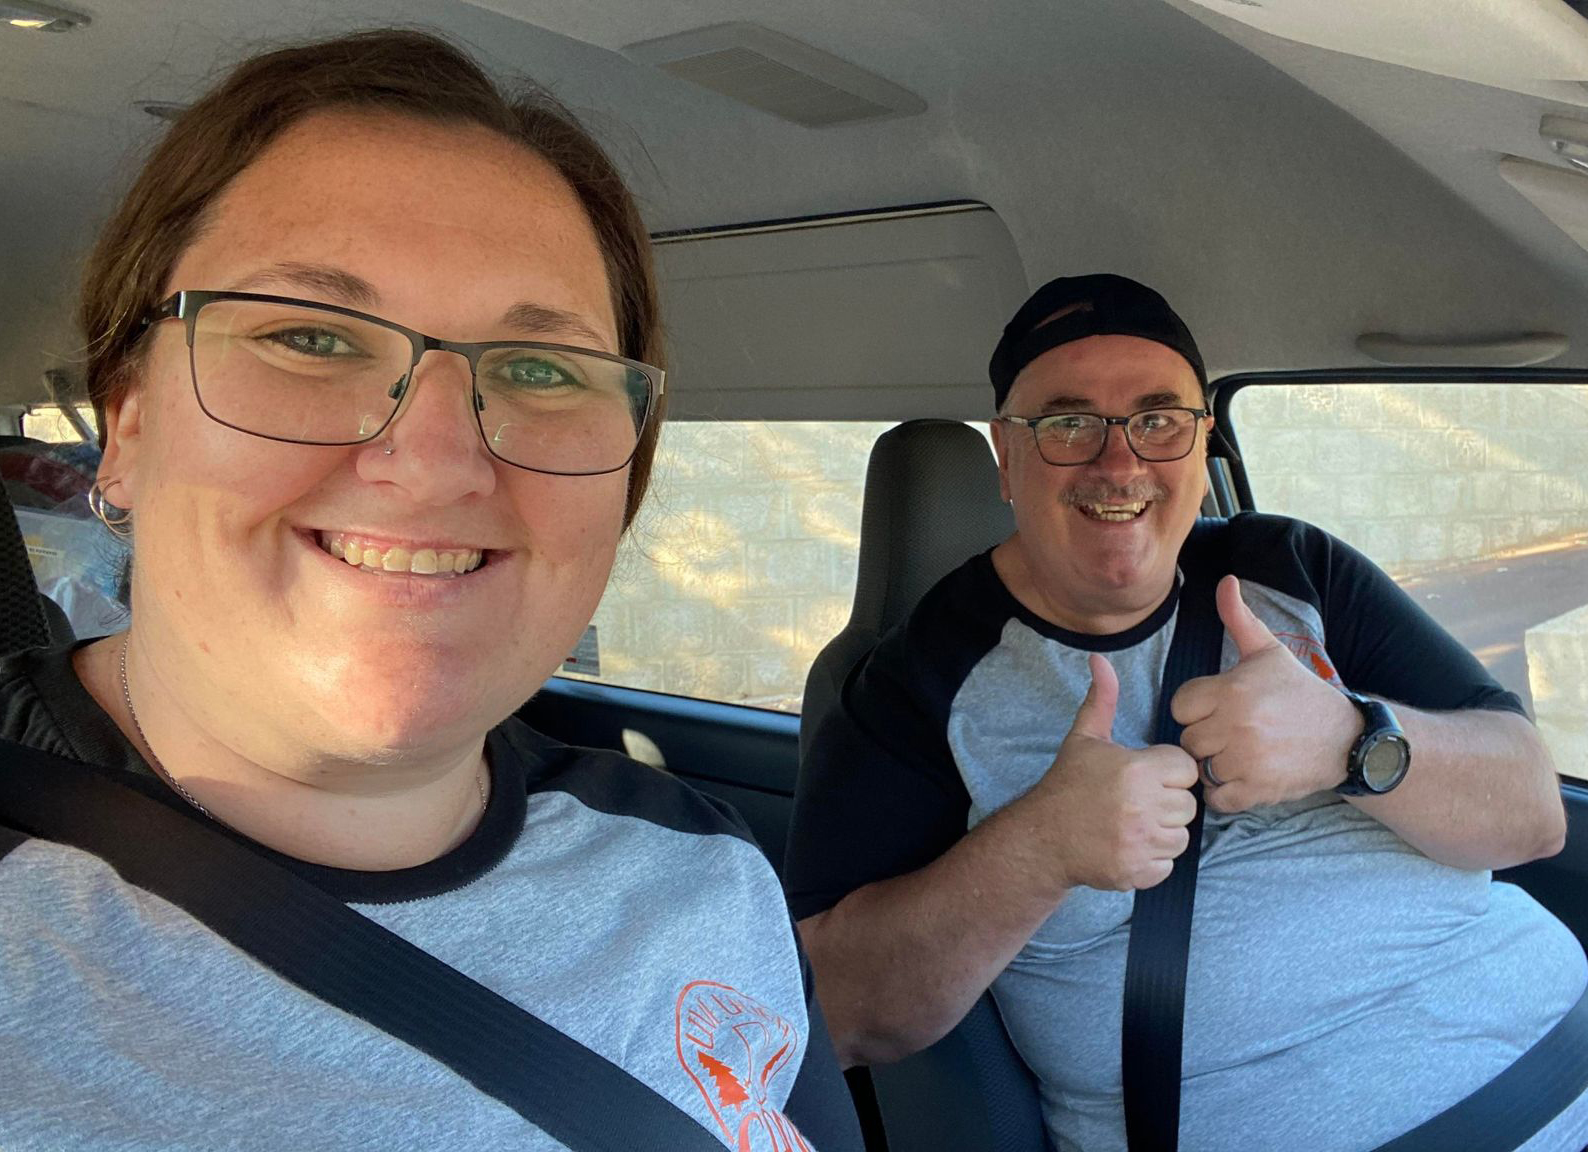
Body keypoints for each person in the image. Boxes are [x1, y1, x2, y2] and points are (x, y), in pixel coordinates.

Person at [0, 30, 861, 1152]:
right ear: (128, 426)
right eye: (310, 337)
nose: (439, 459)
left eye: (541, 369)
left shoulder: (702, 868)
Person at [784, 273, 1587, 1150]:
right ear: (1005, 457)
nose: (1118, 462)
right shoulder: (916, 682)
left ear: (1203, 443)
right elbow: (844, 1016)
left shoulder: (1291, 565)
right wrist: (1041, 848)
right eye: (1067, 422)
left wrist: (1352, 741)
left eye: (1158, 419)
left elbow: (1534, 815)